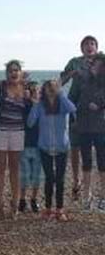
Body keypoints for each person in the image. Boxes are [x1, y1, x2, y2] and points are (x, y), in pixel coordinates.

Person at [27, 80, 76, 221]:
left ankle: (60, 209)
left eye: (54, 87)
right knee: (49, 178)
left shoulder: (62, 104)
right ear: (44, 90)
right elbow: (30, 122)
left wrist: (61, 95)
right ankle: (48, 209)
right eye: (48, 87)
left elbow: (73, 109)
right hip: (44, 146)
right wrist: (35, 105)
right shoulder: (40, 106)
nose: (51, 89)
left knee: (60, 179)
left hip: (62, 146)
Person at [0, 60, 30, 218]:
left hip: (18, 132)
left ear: (20, 72)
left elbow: (37, 101)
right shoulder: (1, 87)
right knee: (0, 168)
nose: (14, 73)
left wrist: (29, 96)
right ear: (7, 73)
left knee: (15, 168)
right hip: (0, 130)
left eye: (16, 70)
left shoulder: (26, 89)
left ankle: (15, 203)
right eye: (11, 70)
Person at [61, 35, 99, 200]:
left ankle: (88, 186)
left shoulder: (101, 61)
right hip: (75, 108)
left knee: (94, 148)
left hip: (96, 110)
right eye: (86, 44)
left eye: (92, 44)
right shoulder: (75, 62)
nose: (89, 46)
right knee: (75, 146)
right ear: (81, 48)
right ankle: (76, 181)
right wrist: (71, 73)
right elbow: (60, 81)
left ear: (96, 47)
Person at [72, 53, 105, 213]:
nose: (96, 69)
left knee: (102, 163)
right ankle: (87, 197)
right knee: (86, 162)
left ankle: (103, 199)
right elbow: (75, 99)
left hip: (101, 127)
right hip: (84, 126)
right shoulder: (83, 81)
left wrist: (100, 105)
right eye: (94, 65)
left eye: (100, 66)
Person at [19, 81, 42, 213]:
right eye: (32, 90)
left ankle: (34, 199)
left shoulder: (43, 106)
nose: (35, 94)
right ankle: (22, 199)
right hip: (25, 143)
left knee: (37, 175)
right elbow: (28, 124)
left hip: (39, 145)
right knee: (24, 174)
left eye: (37, 91)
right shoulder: (24, 105)